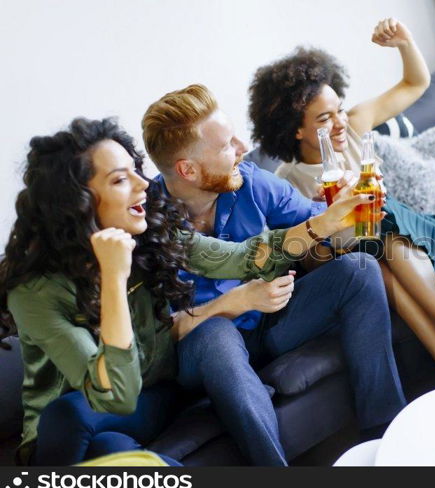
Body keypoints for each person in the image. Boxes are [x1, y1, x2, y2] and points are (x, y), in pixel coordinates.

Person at [0, 117, 389, 466]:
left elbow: (243, 258)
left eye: (136, 171)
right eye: (121, 179)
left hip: (156, 398)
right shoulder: (35, 294)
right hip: (79, 421)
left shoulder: (152, 233)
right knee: (88, 431)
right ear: (77, 202)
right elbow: (112, 393)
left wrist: (324, 222)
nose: (143, 184)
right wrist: (115, 279)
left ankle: (383, 439)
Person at [141, 83, 406, 465]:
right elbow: (158, 335)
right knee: (215, 334)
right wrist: (233, 303)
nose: (242, 146)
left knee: (358, 269)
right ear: (188, 169)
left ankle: (383, 438)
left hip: (272, 322)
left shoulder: (249, 181)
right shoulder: (144, 222)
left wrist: (345, 209)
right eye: (225, 145)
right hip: (203, 353)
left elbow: (316, 229)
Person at [247, 18, 435, 385]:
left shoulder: (354, 125)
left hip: (421, 239)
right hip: (374, 263)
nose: (338, 123)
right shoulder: (287, 183)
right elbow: (312, 261)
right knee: (370, 258)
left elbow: (416, 83)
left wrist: (405, 43)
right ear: (296, 130)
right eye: (324, 118)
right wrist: (325, 218)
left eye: (339, 109)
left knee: (376, 217)